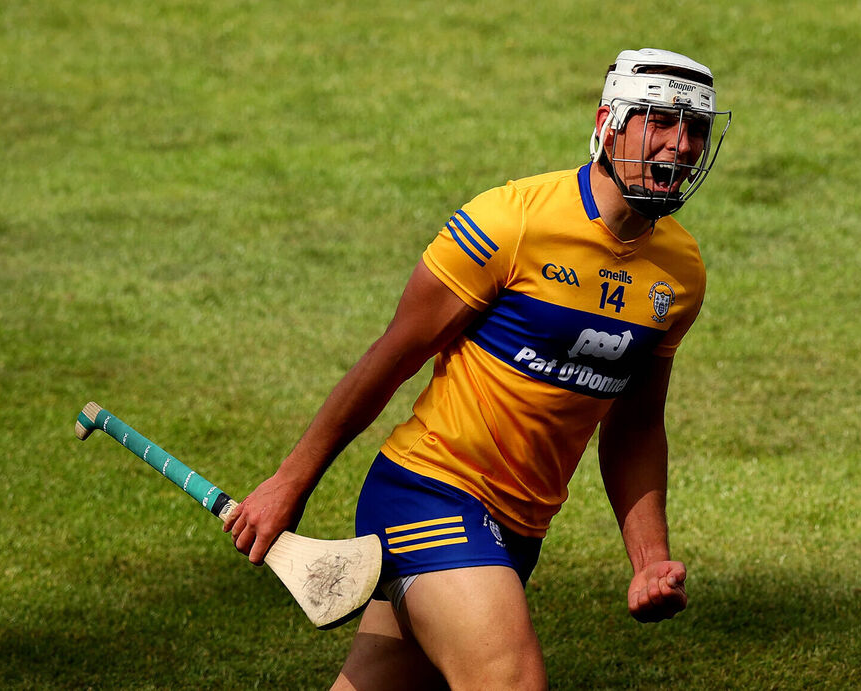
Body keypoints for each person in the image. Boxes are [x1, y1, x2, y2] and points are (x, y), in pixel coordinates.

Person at [224, 47, 731, 690]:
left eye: (696, 129)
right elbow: (392, 357)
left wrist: (648, 559)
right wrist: (290, 482)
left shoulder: (680, 273)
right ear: (609, 123)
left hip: (517, 531)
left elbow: (634, 427)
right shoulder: (511, 221)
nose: (681, 144)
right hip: (429, 493)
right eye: (660, 120)